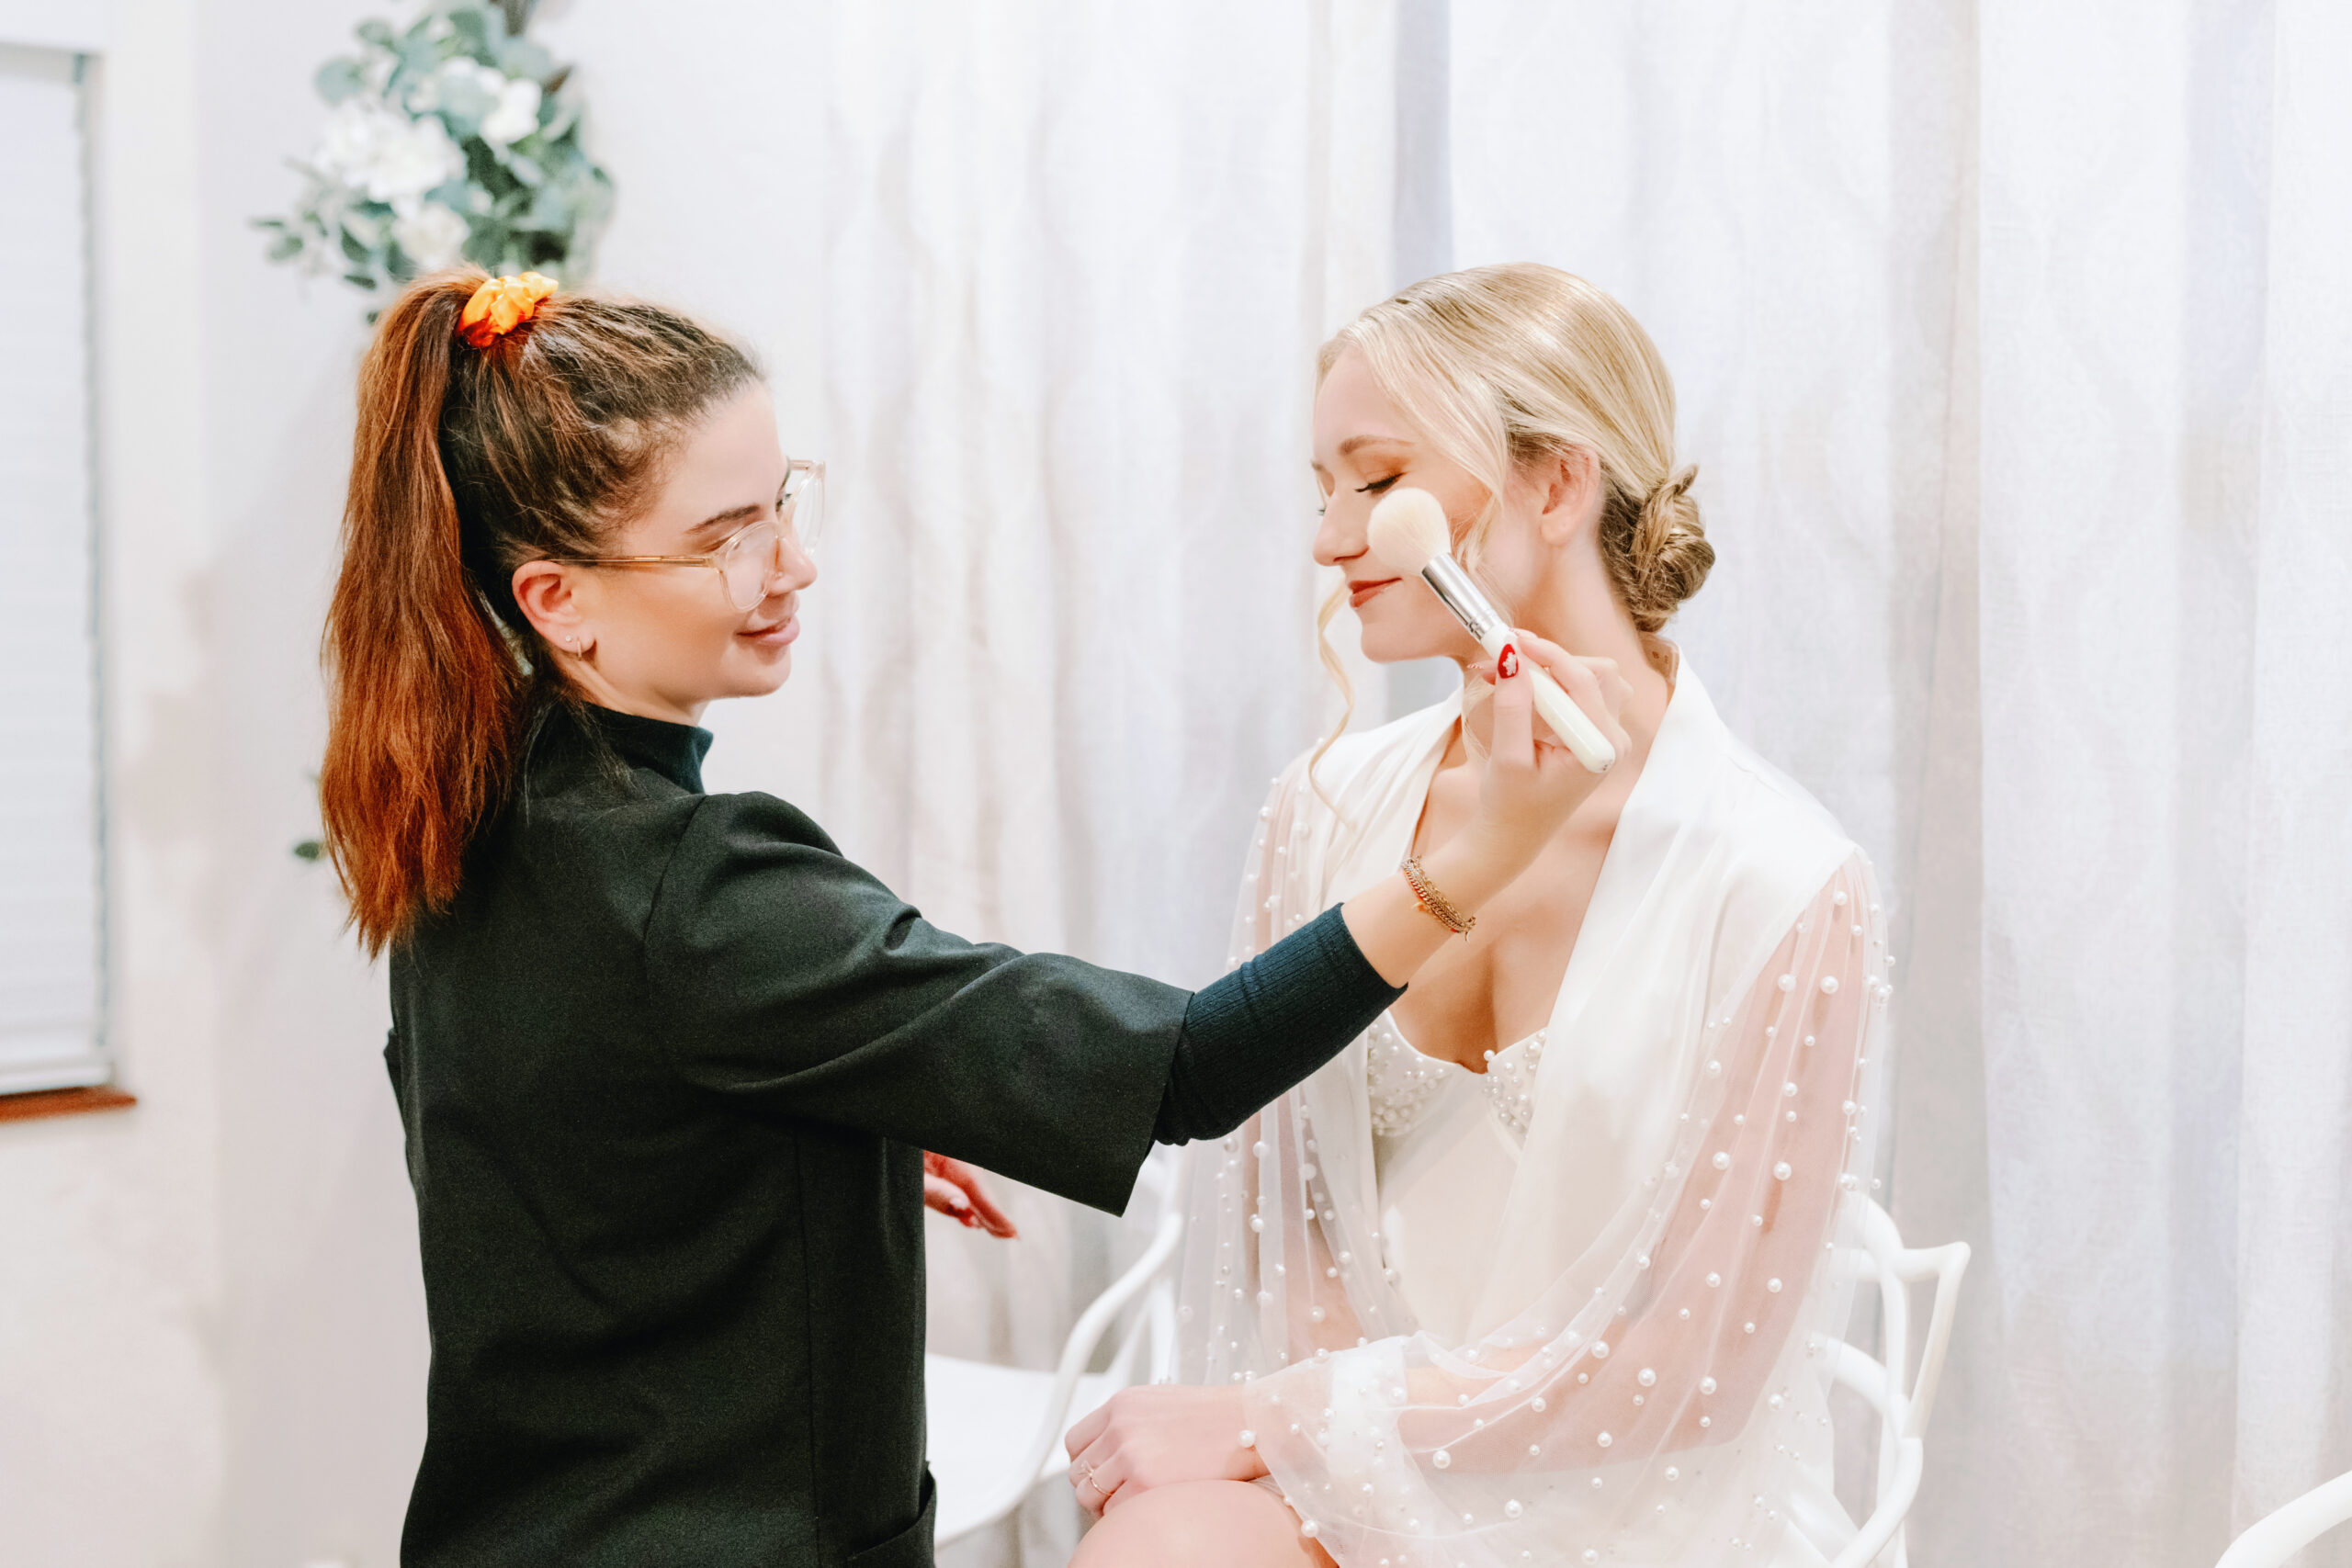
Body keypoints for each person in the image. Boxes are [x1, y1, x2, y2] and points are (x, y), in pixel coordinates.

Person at [317, 269, 1630, 1568]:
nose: (796, 564)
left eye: (783, 502)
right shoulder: (701, 893)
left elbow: (570, 1148)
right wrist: (1475, 861)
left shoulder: (459, 828)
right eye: (727, 539)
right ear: (559, 601)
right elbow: (1187, 1066)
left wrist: (824, 1129)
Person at [1062, 265, 1891, 1568]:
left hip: (1633, 1510)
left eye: (1377, 482)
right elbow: (1300, 1244)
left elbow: (1694, 1370)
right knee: (1152, 1544)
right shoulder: (1324, 812)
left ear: (1557, 486)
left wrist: (1273, 1422)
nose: (1331, 536)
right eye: (1320, 489)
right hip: (1361, 1480)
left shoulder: (1779, 882)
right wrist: (1323, 1474)